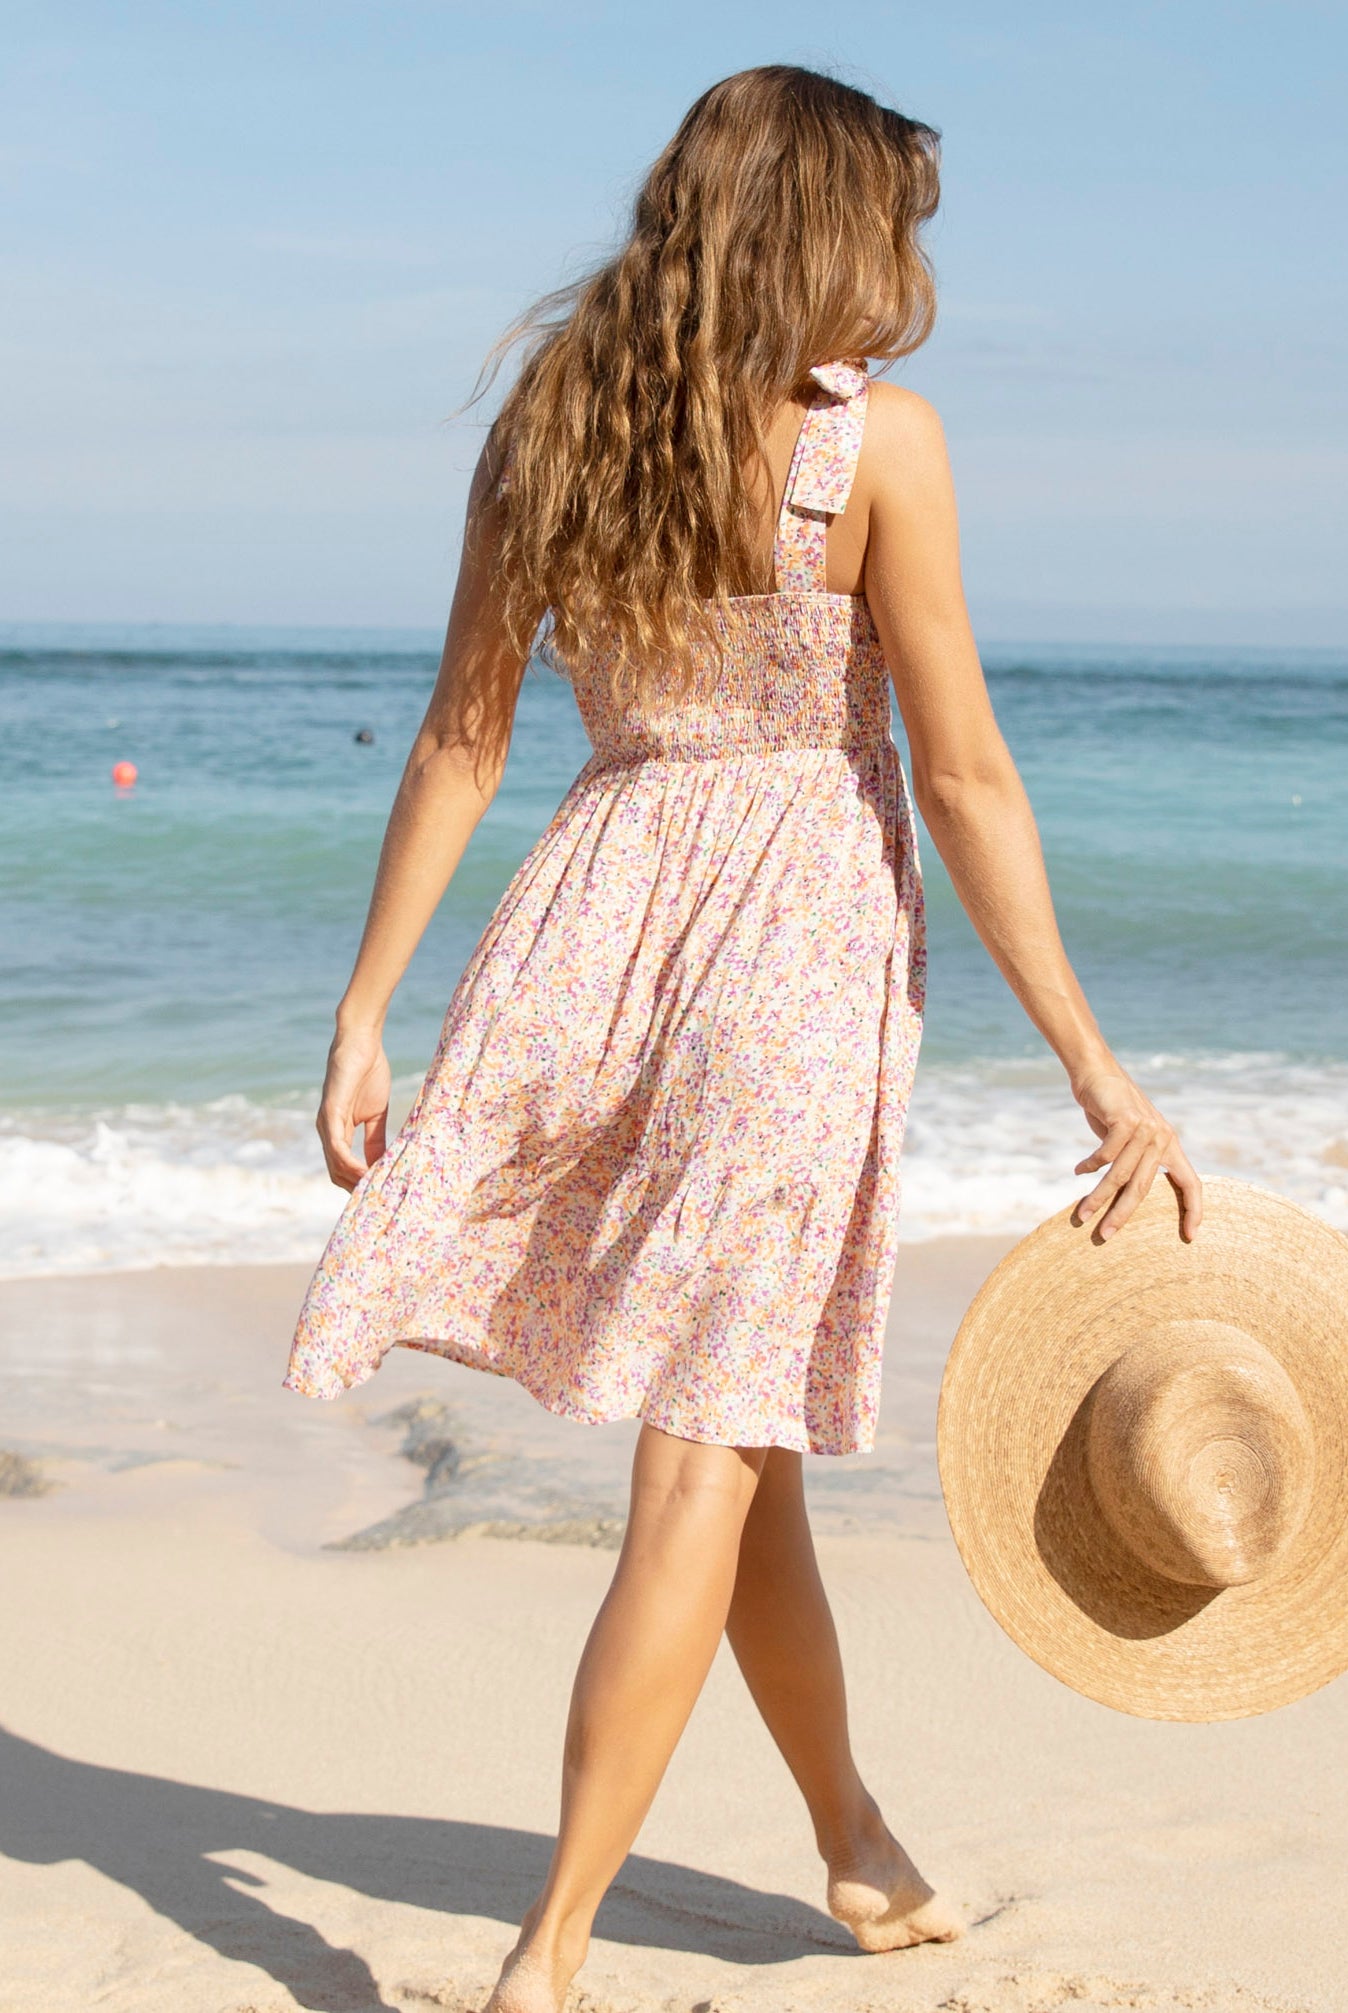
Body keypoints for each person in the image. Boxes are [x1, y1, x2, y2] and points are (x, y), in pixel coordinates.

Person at [286, 65, 1203, 2013]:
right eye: (896, 220)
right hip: (789, 950)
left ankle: (854, 1839)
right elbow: (955, 771)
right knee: (700, 1455)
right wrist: (1094, 1063)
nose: (911, 264)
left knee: (740, 1423)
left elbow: (461, 739)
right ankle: (547, 1949)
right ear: (823, 225)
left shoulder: (555, 422)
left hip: (594, 918)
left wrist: (369, 1004)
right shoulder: (880, 448)